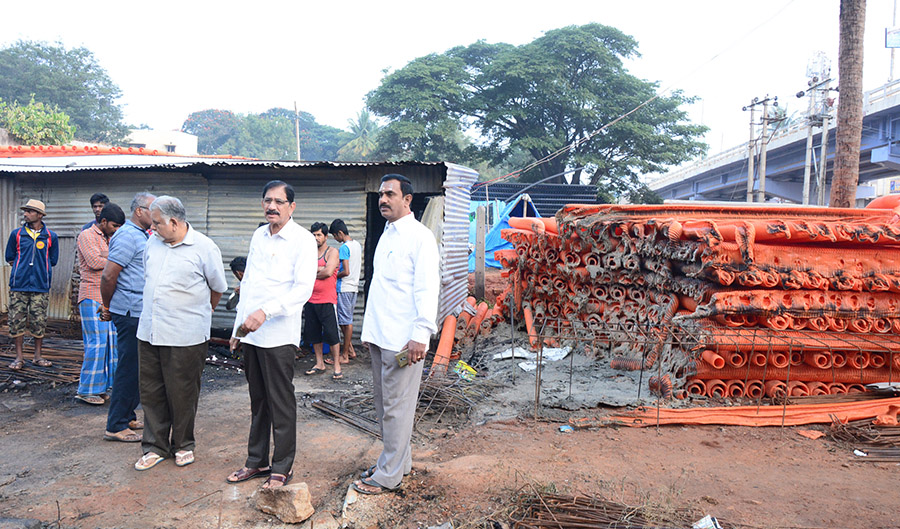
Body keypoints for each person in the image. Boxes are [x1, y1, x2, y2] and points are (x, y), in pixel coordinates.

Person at [227, 180, 317, 489]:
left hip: (279, 335)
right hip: (252, 335)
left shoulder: (303, 240)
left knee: (280, 401)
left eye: (279, 201)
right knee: (258, 400)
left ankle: (282, 466)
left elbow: (302, 290)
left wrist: (267, 312)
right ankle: (257, 461)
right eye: (268, 200)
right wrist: (239, 328)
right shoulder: (258, 236)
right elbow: (248, 284)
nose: (272, 206)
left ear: (292, 206)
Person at [353, 174, 439, 495]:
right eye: (380, 194)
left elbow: (427, 289)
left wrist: (421, 334)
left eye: (390, 194)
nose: (383, 200)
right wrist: (368, 330)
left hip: (404, 340)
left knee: (397, 408)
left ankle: (388, 475)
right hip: (381, 336)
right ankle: (399, 463)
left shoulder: (421, 237)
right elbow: (381, 288)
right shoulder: (388, 234)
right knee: (385, 405)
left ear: (408, 200)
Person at [132, 196, 227, 471]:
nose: (153, 229)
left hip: (185, 334)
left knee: (182, 392)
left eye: (158, 224)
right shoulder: (153, 243)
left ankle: (183, 444)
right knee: (151, 391)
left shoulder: (204, 248)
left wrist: (197, 315)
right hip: (149, 331)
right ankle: (155, 446)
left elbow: (217, 288)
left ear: (174, 222)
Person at [100, 192, 155, 443]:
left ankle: (128, 415)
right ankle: (116, 425)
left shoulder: (141, 235)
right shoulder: (127, 236)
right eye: (153, 209)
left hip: (138, 310)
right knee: (128, 368)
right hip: (129, 311)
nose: (157, 215)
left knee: (138, 367)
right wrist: (107, 306)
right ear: (140, 211)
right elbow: (109, 276)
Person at [75, 203, 125, 405]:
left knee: (110, 345)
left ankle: (102, 387)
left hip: (108, 297)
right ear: (103, 222)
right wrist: (116, 260)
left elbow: (104, 260)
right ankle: (86, 390)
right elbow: (95, 262)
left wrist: (108, 257)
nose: (117, 230)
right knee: (96, 344)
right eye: (114, 225)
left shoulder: (110, 237)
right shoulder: (86, 235)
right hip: (91, 295)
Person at [5, 199, 60, 371]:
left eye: (29, 211)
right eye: (25, 211)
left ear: (40, 215)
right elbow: (10, 257)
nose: (25, 214)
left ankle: (37, 356)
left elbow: (53, 260)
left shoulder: (51, 236)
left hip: (40, 286)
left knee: (39, 321)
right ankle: (19, 358)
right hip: (19, 286)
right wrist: (22, 271)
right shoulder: (17, 234)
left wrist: (38, 270)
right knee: (16, 322)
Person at [302, 222, 343, 380]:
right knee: (314, 335)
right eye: (313, 234)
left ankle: (337, 366)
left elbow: (328, 272)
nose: (316, 238)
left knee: (332, 335)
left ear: (326, 237)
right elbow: (301, 271)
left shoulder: (332, 252)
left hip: (327, 300)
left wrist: (313, 271)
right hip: (310, 299)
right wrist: (319, 269)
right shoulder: (309, 252)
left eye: (319, 235)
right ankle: (319, 363)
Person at [329, 218, 361, 365]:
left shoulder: (344, 248)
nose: (336, 239)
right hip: (353, 287)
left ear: (340, 233)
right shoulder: (357, 245)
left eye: (335, 236)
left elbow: (346, 271)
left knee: (345, 322)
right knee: (344, 320)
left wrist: (334, 274)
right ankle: (350, 350)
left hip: (344, 288)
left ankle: (344, 356)